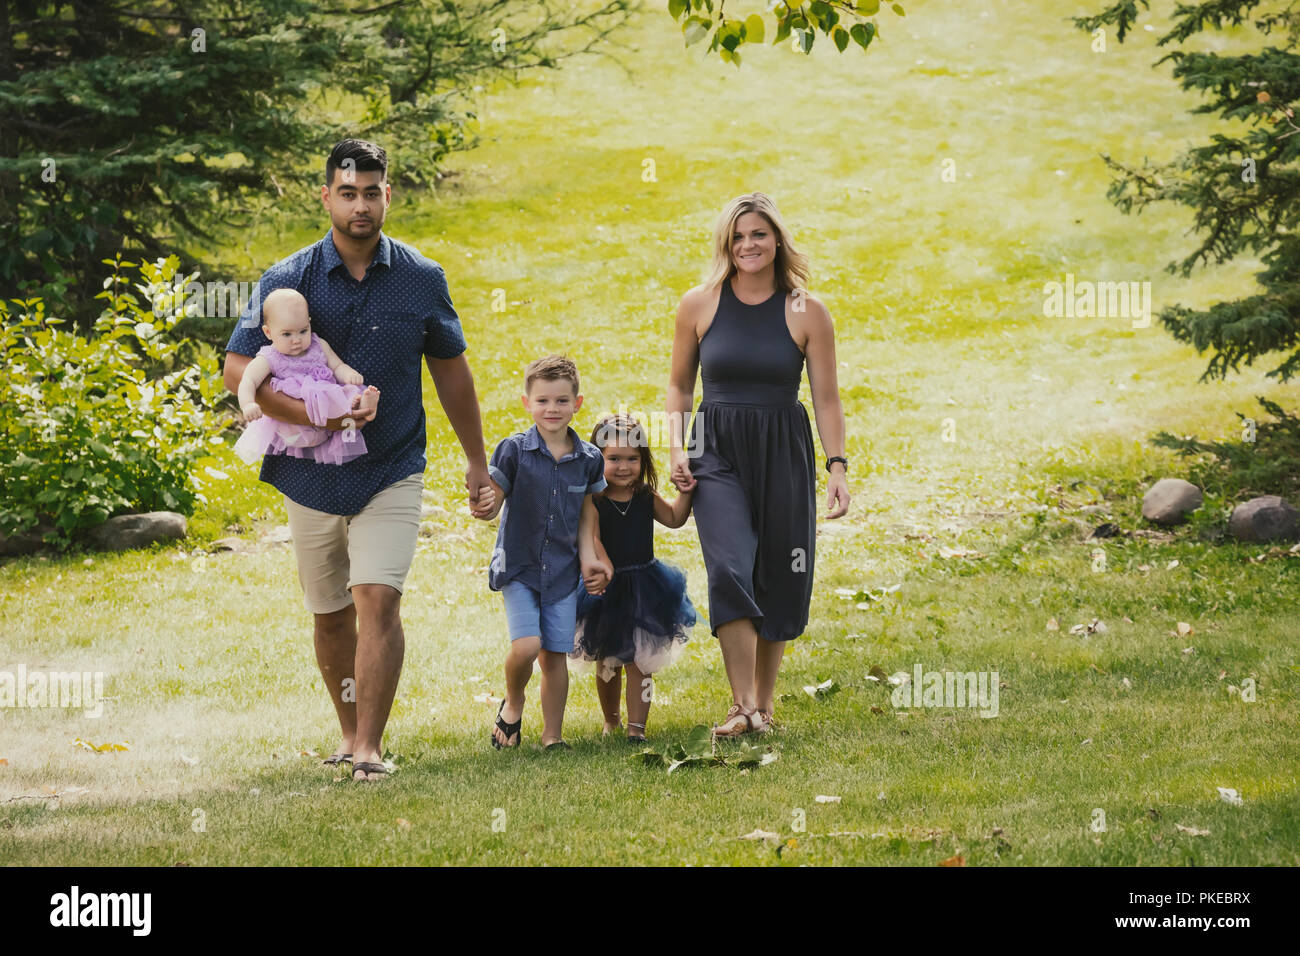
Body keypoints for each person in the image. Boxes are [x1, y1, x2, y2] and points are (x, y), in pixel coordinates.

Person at [222, 139, 492, 781]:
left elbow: (452, 373)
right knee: (330, 612)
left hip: (393, 461)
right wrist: (317, 413)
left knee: (377, 597)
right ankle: (348, 731)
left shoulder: (423, 278)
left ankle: (369, 748)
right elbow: (238, 367)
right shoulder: (286, 280)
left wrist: (478, 462)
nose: (361, 205)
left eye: (372, 192)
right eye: (348, 193)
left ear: (388, 195)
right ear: (326, 197)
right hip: (307, 472)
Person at [666, 192, 851, 738]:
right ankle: (741, 703)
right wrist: (678, 447)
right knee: (729, 566)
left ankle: (763, 707)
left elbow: (827, 398)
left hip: (783, 449)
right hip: (716, 447)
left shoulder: (807, 311)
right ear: (727, 243)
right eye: (739, 236)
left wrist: (836, 466)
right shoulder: (699, 304)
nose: (749, 244)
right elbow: (679, 385)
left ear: (777, 242)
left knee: (782, 572)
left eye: (759, 235)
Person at [471, 355, 610, 751]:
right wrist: (486, 503)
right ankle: (514, 701)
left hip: (564, 573)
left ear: (577, 404)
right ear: (526, 402)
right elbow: (495, 496)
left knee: (555, 656)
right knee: (527, 646)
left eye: (562, 401)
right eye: (543, 401)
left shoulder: (588, 459)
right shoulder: (513, 451)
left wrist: (589, 557)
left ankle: (553, 736)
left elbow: (588, 512)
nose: (552, 409)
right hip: (520, 566)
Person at [570, 413, 696, 743]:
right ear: (597, 460)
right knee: (608, 661)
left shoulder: (644, 496)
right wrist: (603, 565)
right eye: (613, 459)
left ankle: (636, 729)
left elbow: (675, 518)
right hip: (608, 590)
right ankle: (611, 720)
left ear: (643, 461)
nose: (623, 467)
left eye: (632, 459)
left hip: (646, 587)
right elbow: (592, 539)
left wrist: (685, 491)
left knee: (641, 664)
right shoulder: (594, 501)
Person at [234, 287, 379, 466]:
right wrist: (247, 403)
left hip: (327, 417)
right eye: (286, 334)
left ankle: (364, 406)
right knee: (316, 401)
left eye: (303, 331)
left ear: (309, 323)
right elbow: (248, 380)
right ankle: (354, 410)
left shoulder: (319, 344)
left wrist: (349, 374)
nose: (296, 339)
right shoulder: (269, 357)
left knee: (348, 391)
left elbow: (337, 365)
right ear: (268, 332)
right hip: (293, 424)